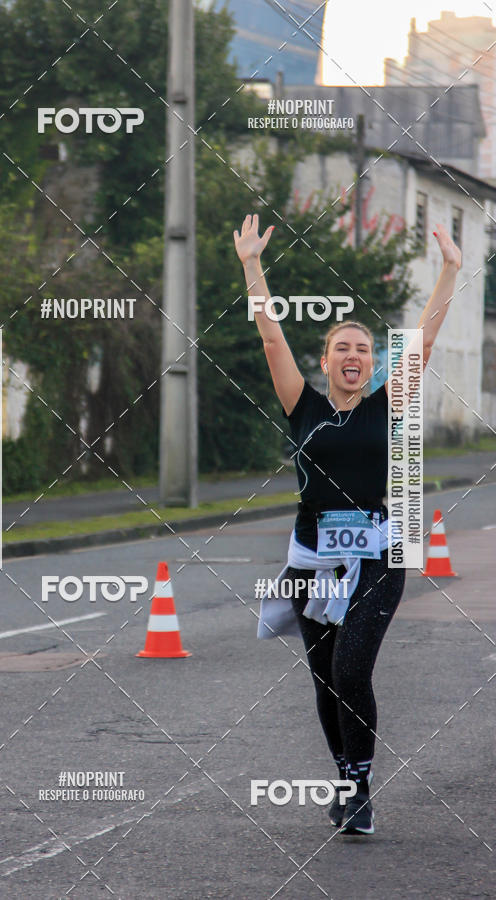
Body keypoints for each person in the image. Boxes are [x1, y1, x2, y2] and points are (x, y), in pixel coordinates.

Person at [233, 213, 461, 835]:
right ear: (327, 361)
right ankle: (348, 777)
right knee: (325, 682)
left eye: (363, 349)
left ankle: (358, 788)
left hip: (378, 558)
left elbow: (424, 341)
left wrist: (449, 270)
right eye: (343, 348)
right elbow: (271, 338)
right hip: (312, 561)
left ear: (371, 362)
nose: (354, 355)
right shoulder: (302, 405)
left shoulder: (387, 405)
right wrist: (252, 265)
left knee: (351, 671)